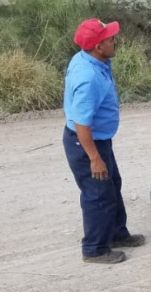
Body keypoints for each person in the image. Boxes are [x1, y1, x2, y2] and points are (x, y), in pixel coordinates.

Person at [62, 18, 144, 264]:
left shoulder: (90, 59)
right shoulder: (88, 78)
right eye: (111, 39)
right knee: (98, 195)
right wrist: (94, 158)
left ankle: (117, 234)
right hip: (86, 143)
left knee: (112, 185)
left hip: (99, 139)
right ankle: (95, 249)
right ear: (98, 46)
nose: (115, 41)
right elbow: (81, 124)